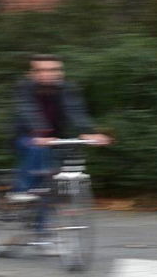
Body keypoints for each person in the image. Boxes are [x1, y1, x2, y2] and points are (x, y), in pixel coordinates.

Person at [11, 54, 111, 203]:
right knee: (38, 149)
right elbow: (27, 110)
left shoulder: (67, 89)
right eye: (41, 70)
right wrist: (40, 133)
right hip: (26, 136)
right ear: (31, 73)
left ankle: (41, 222)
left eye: (53, 70)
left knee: (50, 181)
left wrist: (89, 132)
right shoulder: (23, 88)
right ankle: (21, 189)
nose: (47, 74)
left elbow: (75, 111)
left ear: (60, 72)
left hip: (56, 138)